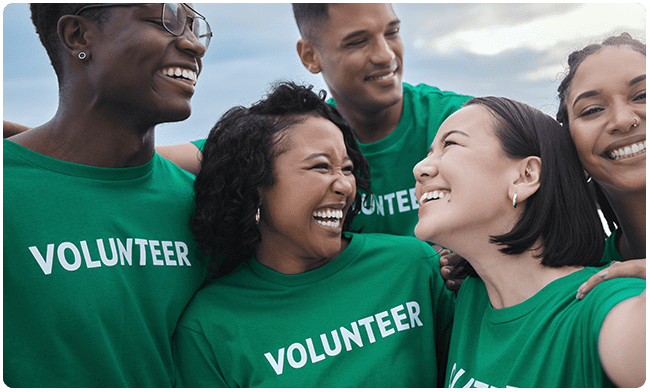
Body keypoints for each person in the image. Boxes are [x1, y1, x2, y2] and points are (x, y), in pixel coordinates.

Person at [172, 81, 456, 388]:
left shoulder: (415, 266)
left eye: (347, 169)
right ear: (253, 184)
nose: (345, 186)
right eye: (321, 167)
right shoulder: (208, 326)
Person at [3, 3, 212, 387]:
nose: (195, 45)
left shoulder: (204, 210)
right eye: (163, 21)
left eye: (195, 26)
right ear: (78, 37)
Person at [413, 96, 645, 388]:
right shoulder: (473, 297)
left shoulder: (599, 301)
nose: (420, 168)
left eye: (450, 145)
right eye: (428, 152)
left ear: (526, 176)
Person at [555, 33, 646, 298]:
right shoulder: (578, 280)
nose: (622, 120)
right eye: (592, 110)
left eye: (642, 95)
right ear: (570, 149)